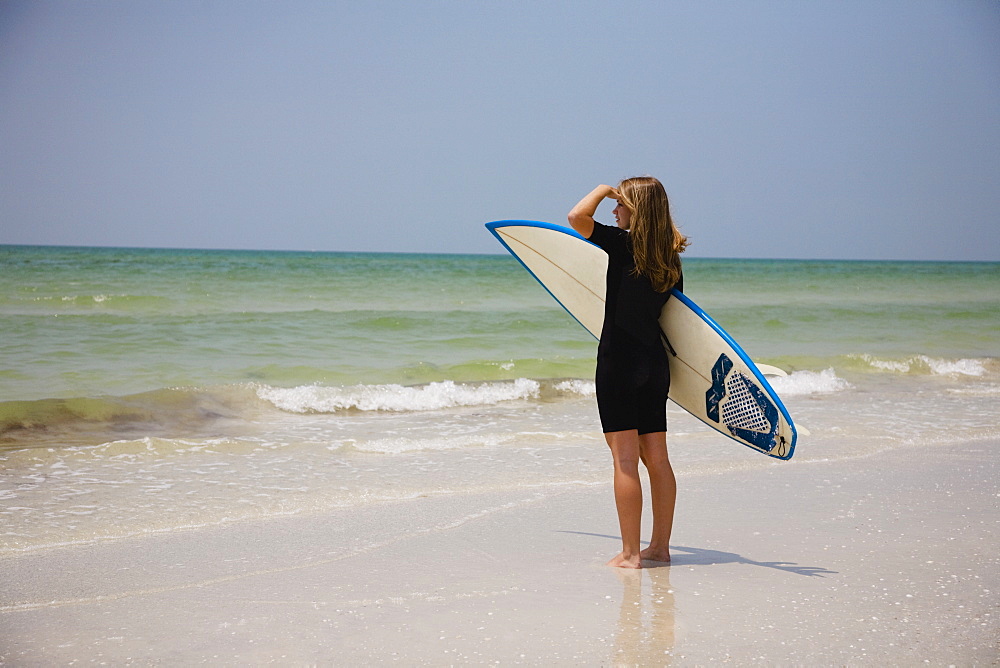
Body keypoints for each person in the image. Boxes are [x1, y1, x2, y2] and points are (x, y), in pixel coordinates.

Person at [567, 177, 688, 569]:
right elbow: (677, 318)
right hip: (655, 365)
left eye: (620, 204)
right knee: (658, 459)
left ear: (634, 208)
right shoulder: (671, 258)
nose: (615, 211)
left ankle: (631, 554)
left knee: (624, 462)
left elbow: (575, 217)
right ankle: (660, 548)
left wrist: (603, 188)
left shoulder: (621, 245)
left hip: (619, 362)